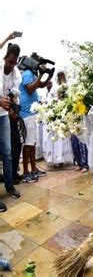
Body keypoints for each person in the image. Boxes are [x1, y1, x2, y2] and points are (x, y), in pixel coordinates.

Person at [19, 53, 48, 182]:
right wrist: (41, 74)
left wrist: (47, 76)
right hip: (27, 114)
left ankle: (34, 169)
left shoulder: (32, 74)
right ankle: (26, 172)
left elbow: (39, 85)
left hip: (32, 114)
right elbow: (30, 89)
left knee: (32, 143)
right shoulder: (27, 74)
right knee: (28, 144)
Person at [0, 43, 22, 212]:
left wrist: (14, 107)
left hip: (2, 116)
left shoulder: (16, 75)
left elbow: (14, 95)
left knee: (7, 152)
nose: (11, 66)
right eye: (9, 61)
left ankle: (9, 186)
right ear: (5, 57)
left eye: (14, 63)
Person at [41, 76, 74, 168]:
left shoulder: (67, 87)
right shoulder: (52, 91)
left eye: (62, 76)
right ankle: (56, 159)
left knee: (62, 137)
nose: (61, 78)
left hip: (63, 114)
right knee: (55, 138)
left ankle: (62, 159)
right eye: (59, 76)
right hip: (54, 115)